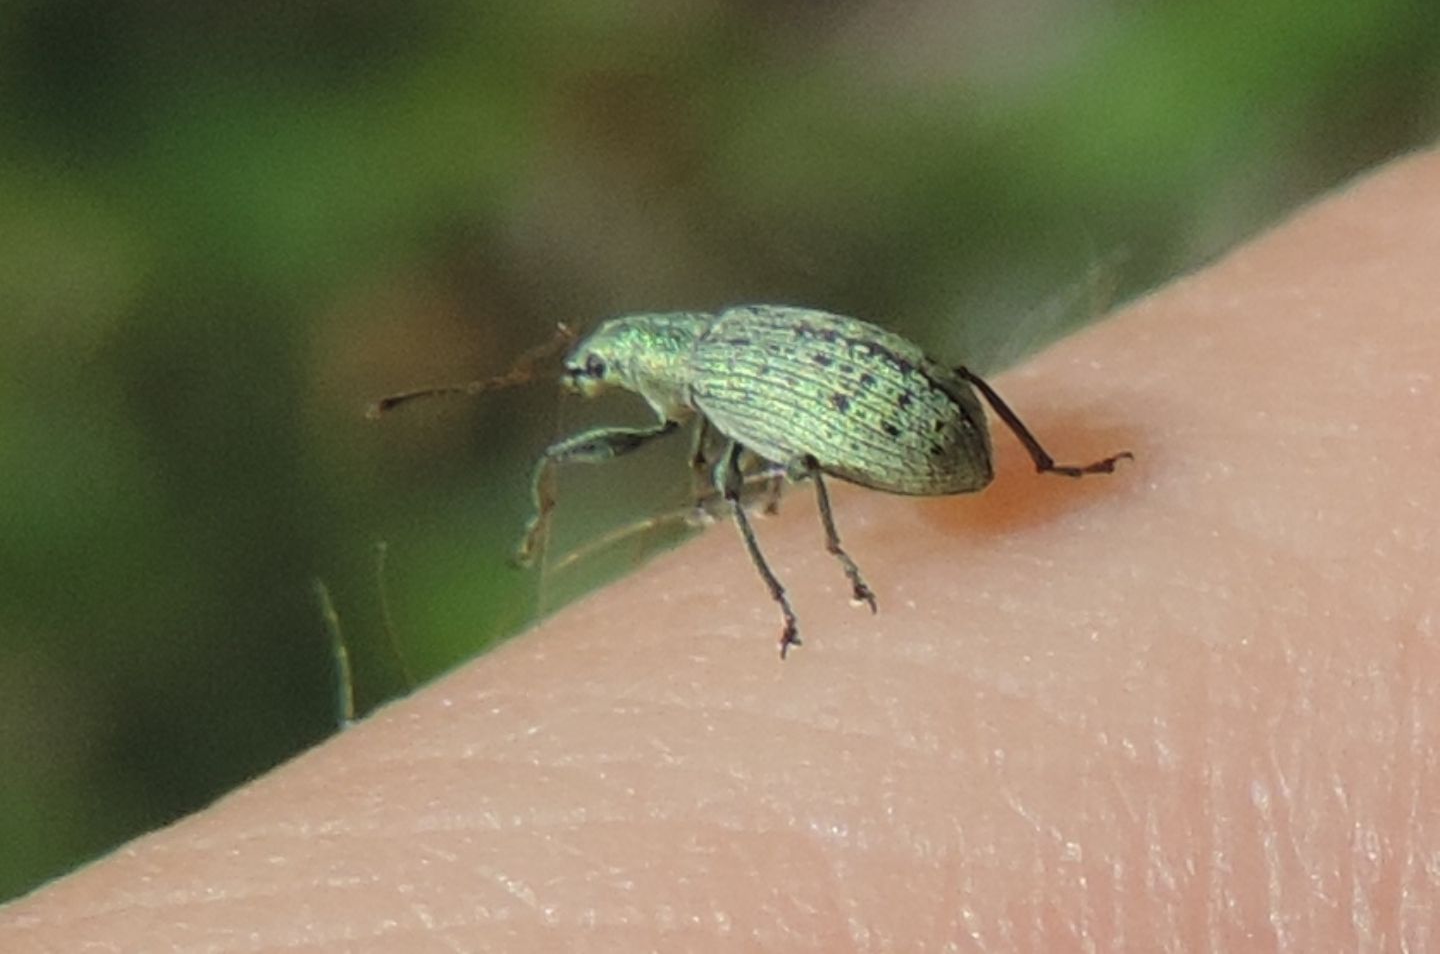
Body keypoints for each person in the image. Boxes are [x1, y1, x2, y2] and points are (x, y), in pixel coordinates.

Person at [5, 150, 1436, 950]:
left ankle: (888, 557)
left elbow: (784, 457)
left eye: (600, 374)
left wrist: (836, 574)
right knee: (806, 448)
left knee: (779, 479)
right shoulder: (720, 351)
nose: (593, 396)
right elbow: (863, 390)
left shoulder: (727, 385)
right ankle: (1046, 460)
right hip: (907, 398)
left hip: (885, 425)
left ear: (645, 362)